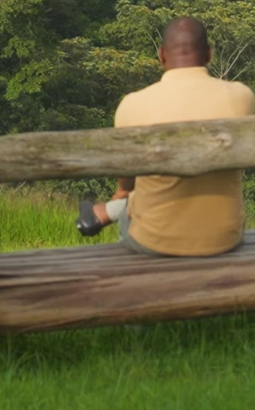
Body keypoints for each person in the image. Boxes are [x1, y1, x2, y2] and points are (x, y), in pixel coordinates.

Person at [76, 17, 255, 256]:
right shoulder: (241, 97)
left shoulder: (133, 104)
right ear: (209, 54)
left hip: (155, 241)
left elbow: (126, 176)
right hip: (224, 238)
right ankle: (107, 211)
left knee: (136, 202)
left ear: (161, 55)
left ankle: (109, 212)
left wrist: (122, 194)